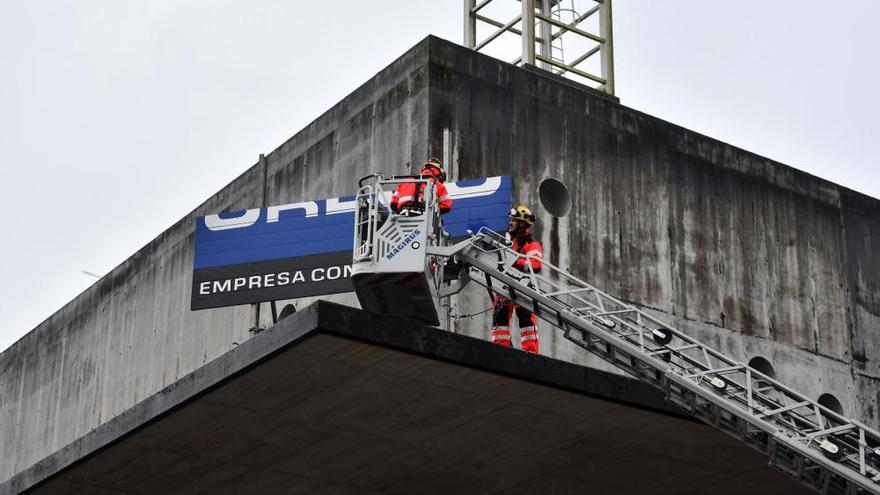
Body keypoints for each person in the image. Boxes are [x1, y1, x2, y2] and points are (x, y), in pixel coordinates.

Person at [490, 205, 543, 354]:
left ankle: (531, 354)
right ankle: (500, 351)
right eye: (511, 220)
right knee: (500, 319)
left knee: (526, 320)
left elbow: (536, 265)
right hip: (506, 285)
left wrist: (513, 261)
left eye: (514, 220)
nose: (510, 223)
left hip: (524, 287)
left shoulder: (531, 243)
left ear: (522, 224)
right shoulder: (508, 242)